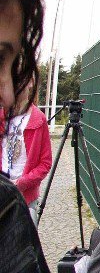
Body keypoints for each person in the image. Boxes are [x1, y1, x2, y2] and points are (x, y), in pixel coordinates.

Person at [0, 0, 66, 273]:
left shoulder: (6, 213)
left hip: (26, 195)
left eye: (10, 66)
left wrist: (20, 186)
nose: (7, 90)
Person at [2, 76, 53, 222]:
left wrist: (22, 183)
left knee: (26, 243)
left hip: (26, 197)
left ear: (30, 82)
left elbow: (45, 163)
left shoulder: (38, 119)